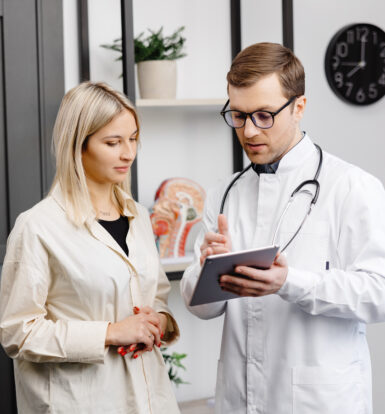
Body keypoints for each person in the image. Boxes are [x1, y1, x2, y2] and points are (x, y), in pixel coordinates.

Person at [180, 42, 385, 414]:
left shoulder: (352, 187)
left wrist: (290, 283)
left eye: (263, 115)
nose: (249, 131)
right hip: (239, 399)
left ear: (299, 107)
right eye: (238, 116)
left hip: (320, 401)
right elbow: (203, 310)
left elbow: (379, 292)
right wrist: (206, 272)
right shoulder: (224, 195)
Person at [0, 81, 180, 414]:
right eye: (113, 142)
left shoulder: (138, 215)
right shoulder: (38, 226)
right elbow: (18, 332)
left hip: (151, 399)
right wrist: (111, 333)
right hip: (80, 402)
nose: (128, 153)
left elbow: (155, 296)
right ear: (77, 145)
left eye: (133, 139)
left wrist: (159, 321)